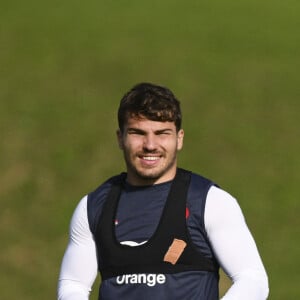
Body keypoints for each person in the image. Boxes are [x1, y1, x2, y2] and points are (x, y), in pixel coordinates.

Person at [57, 82, 269, 300]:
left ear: (179, 139)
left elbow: (252, 279)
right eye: (138, 133)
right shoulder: (94, 206)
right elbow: (74, 285)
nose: (150, 145)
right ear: (120, 138)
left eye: (162, 133)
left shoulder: (209, 202)